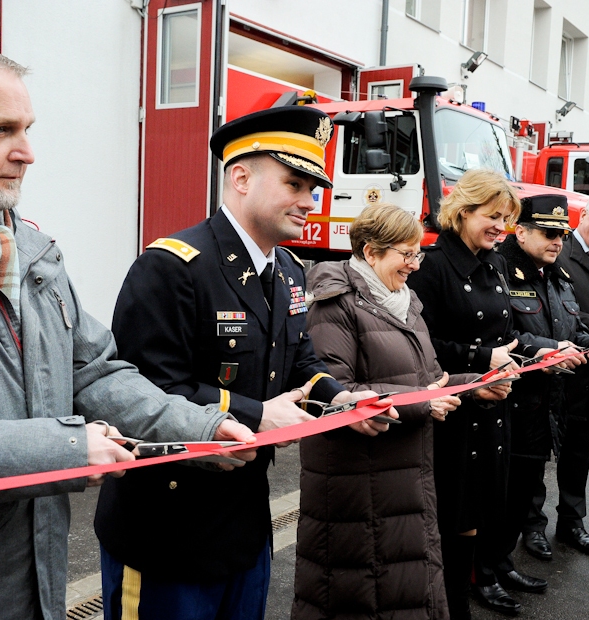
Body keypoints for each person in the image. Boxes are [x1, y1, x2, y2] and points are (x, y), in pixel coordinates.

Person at [0, 38, 254, 620]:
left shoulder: (33, 251)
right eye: (0, 130)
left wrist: (202, 426)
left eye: (28, 129)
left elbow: (94, 369)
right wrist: (63, 449)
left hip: (35, 583)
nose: (27, 152)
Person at [95, 106, 390, 620]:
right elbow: (140, 394)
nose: (309, 201)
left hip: (244, 526)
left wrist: (342, 400)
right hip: (168, 528)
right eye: (295, 183)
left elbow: (301, 363)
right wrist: (256, 415)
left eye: (313, 187)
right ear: (240, 177)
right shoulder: (170, 267)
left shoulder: (290, 272)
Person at [292, 203, 507, 620]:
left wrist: (475, 385)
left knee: (402, 593)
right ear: (371, 252)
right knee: (358, 592)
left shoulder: (404, 301)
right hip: (357, 482)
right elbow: (333, 392)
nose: (414, 264)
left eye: (417, 253)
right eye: (405, 254)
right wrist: (422, 403)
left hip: (402, 475)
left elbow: (430, 378)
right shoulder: (334, 305)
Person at [409, 169, 542, 618]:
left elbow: (507, 333)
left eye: (506, 219)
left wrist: (538, 350)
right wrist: (481, 357)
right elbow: (419, 345)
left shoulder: (496, 262)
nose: (500, 228)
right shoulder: (431, 267)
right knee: (451, 522)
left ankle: (462, 598)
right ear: (463, 211)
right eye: (492, 216)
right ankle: (448, 608)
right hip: (452, 413)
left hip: (493, 411)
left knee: (476, 520)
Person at [494, 194, 589, 595]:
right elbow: (503, 336)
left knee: (523, 490)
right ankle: (486, 570)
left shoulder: (556, 275)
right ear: (520, 232)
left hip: (546, 405)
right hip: (510, 401)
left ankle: (501, 564)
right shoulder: (501, 270)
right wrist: (546, 349)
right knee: (502, 496)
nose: (558, 241)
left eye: (561, 234)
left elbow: (567, 329)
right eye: (548, 233)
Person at [524, 191, 589, 557]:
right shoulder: (556, 249)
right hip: (553, 369)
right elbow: (549, 310)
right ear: (584, 215)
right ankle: (532, 526)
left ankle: (572, 521)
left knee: (578, 450)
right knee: (537, 452)